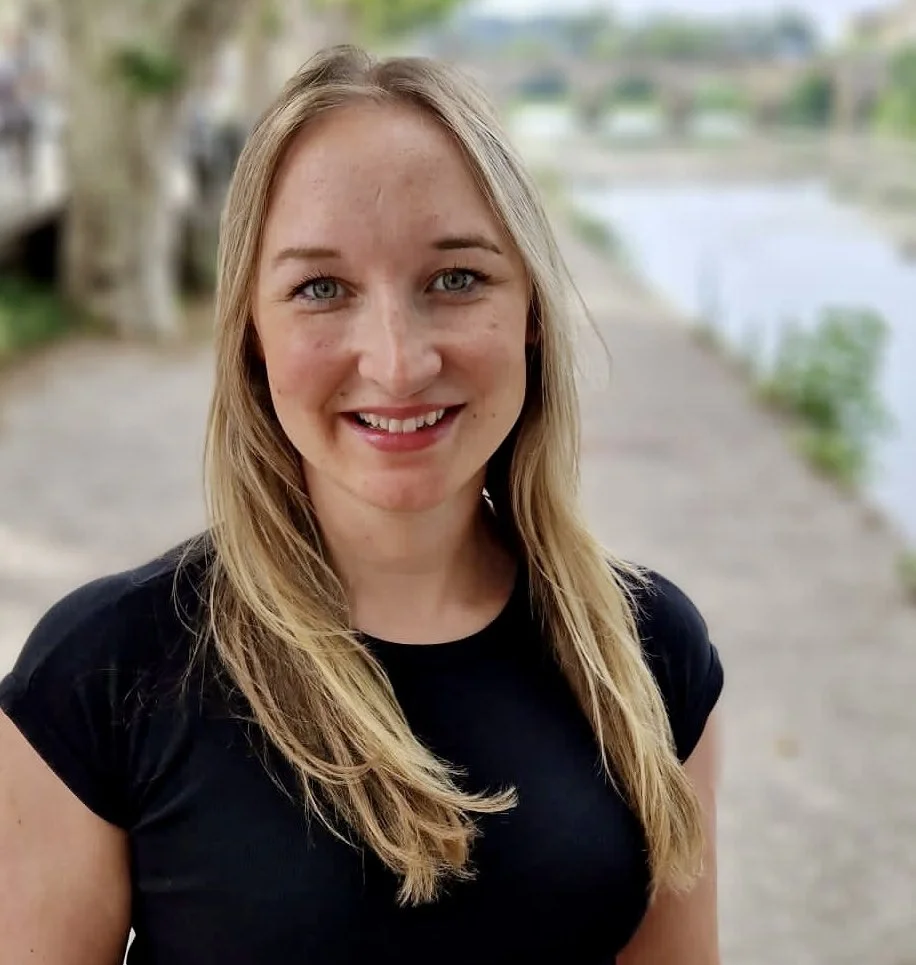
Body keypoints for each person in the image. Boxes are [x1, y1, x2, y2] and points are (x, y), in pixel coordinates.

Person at [0, 46, 724, 965]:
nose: (397, 361)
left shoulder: (648, 651)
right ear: (252, 333)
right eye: (321, 289)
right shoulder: (103, 673)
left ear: (533, 310)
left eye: (455, 278)